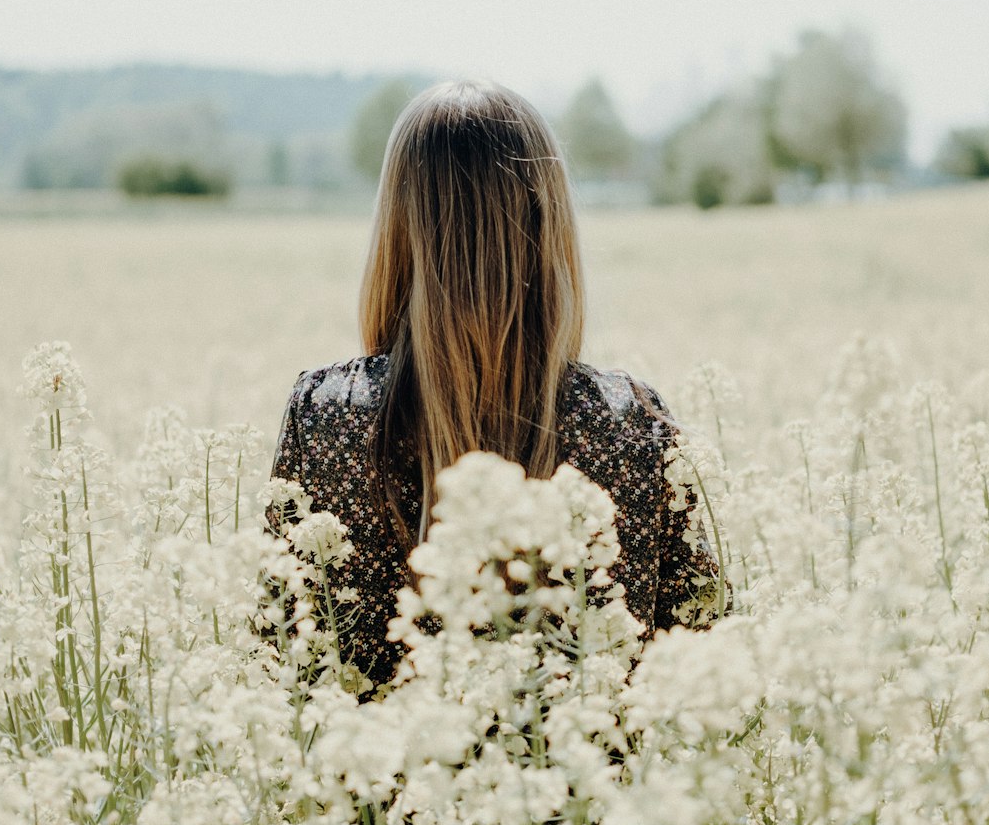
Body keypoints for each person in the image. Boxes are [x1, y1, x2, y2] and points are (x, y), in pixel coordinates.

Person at [268, 78, 726, 694]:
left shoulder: (326, 416)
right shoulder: (634, 425)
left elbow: (281, 664)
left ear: (397, 234)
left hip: (378, 791)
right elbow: (703, 660)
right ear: (550, 230)